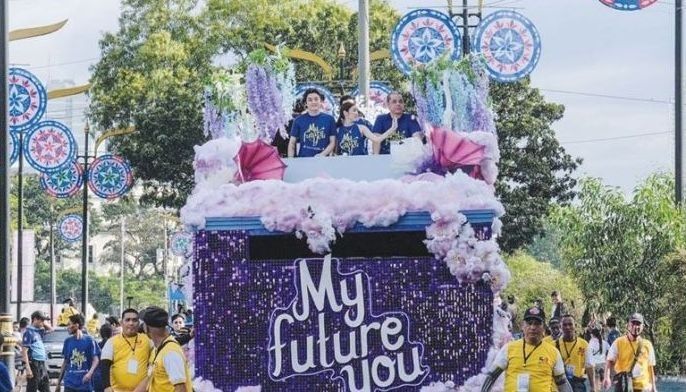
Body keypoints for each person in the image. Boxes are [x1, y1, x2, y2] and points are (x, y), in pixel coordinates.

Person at [481, 306, 573, 392]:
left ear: (544, 328)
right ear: (522, 326)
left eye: (537, 324)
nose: (532, 327)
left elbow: (562, 383)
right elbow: (491, 376)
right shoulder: (509, 348)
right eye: (529, 323)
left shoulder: (553, 352)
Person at [100, 309, 153, 392]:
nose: (131, 323)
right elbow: (104, 365)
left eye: (134, 320)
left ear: (138, 323)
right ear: (121, 323)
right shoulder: (112, 342)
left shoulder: (147, 340)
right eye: (127, 320)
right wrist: (107, 387)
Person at [141, 306, 192, 392]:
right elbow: (149, 379)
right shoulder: (158, 348)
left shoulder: (170, 353)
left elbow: (180, 389)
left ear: (147, 327)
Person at [603, 313, 657, 392]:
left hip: (643, 387)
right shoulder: (619, 342)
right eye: (633, 323)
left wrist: (653, 387)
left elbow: (650, 367)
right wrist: (606, 377)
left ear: (643, 327)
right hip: (624, 386)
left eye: (638, 324)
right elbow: (609, 360)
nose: (635, 327)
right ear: (628, 325)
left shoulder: (647, 345)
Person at [56, 314, 100, 392]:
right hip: (69, 383)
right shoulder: (67, 341)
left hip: (84, 384)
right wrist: (58, 383)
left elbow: (96, 359)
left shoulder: (90, 340)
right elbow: (65, 362)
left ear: (76, 325)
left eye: (69, 324)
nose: (67, 327)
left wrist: (89, 373)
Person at [288, 88, 337, 158]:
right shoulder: (298, 120)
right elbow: (292, 143)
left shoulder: (330, 119)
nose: (313, 102)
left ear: (321, 101)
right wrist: (291, 161)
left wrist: (322, 154)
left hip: (323, 160)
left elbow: (332, 142)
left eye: (316, 99)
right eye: (310, 100)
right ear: (306, 103)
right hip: (303, 161)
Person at [555, 314, 593, 392]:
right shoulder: (553, 345)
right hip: (560, 384)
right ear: (560, 327)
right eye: (564, 325)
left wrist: (593, 386)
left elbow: (589, 366)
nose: (567, 327)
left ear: (575, 325)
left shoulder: (584, 344)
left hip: (578, 384)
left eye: (570, 324)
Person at [22, 310, 53, 392]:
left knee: (46, 388)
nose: (43, 323)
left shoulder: (39, 331)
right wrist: (28, 368)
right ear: (35, 319)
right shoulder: (29, 332)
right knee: (32, 388)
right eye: (41, 320)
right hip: (34, 364)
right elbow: (24, 351)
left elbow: (51, 329)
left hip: (42, 363)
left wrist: (44, 321)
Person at [588, 327, 610, 392]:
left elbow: (589, 353)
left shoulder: (591, 342)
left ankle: (597, 389)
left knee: (595, 381)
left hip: (594, 364)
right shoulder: (604, 342)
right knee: (601, 381)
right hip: (603, 363)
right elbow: (609, 350)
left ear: (593, 334)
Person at [92, 324, 113, 392]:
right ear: (111, 334)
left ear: (101, 334)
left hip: (97, 378)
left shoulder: (96, 346)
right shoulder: (114, 345)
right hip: (111, 378)